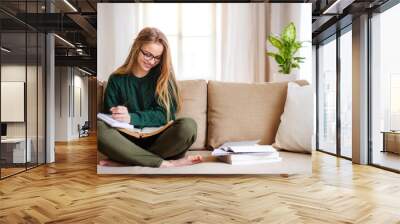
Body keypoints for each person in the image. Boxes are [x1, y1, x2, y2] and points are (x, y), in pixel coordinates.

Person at [98, 27, 202, 168]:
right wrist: (117, 114)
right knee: (99, 128)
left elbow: (165, 114)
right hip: (127, 140)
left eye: (157, 57)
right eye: (147, 54)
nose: (151, 61)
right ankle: (162, 162)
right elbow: (109, 118)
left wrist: (132, 117)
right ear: (136, 48)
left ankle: (127, 160)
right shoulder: (116, 79)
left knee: (188, 126)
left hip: (159, 140)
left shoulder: (165, 77)